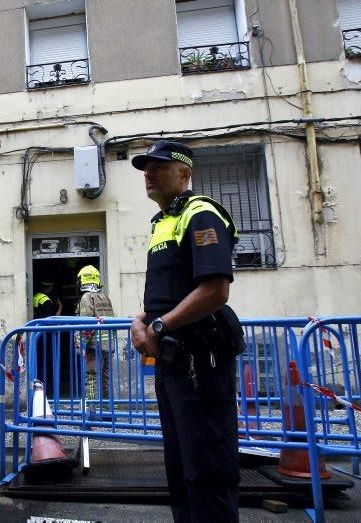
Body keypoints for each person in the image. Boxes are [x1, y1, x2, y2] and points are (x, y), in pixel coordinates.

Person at [130, 140, 240, 522]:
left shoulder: (200, 213)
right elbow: (169, 288)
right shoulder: (164, 223)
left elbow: (214, 291)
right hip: (172, 362)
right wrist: (141, 318)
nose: (148, 173)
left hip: (201, 362)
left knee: (207, 469)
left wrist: (160, 325)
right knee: (180, 468)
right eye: (146, 168)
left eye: (158, 167)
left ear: (184, 173)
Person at [74, 265, 115, 400]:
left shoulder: (86, 297)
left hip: (93, 346)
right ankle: (109, 411)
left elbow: (86, 325)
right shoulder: (105, 297)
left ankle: (92, 411)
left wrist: (80, 346)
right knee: (106, 377)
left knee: (91, 377)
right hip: (108, 345)